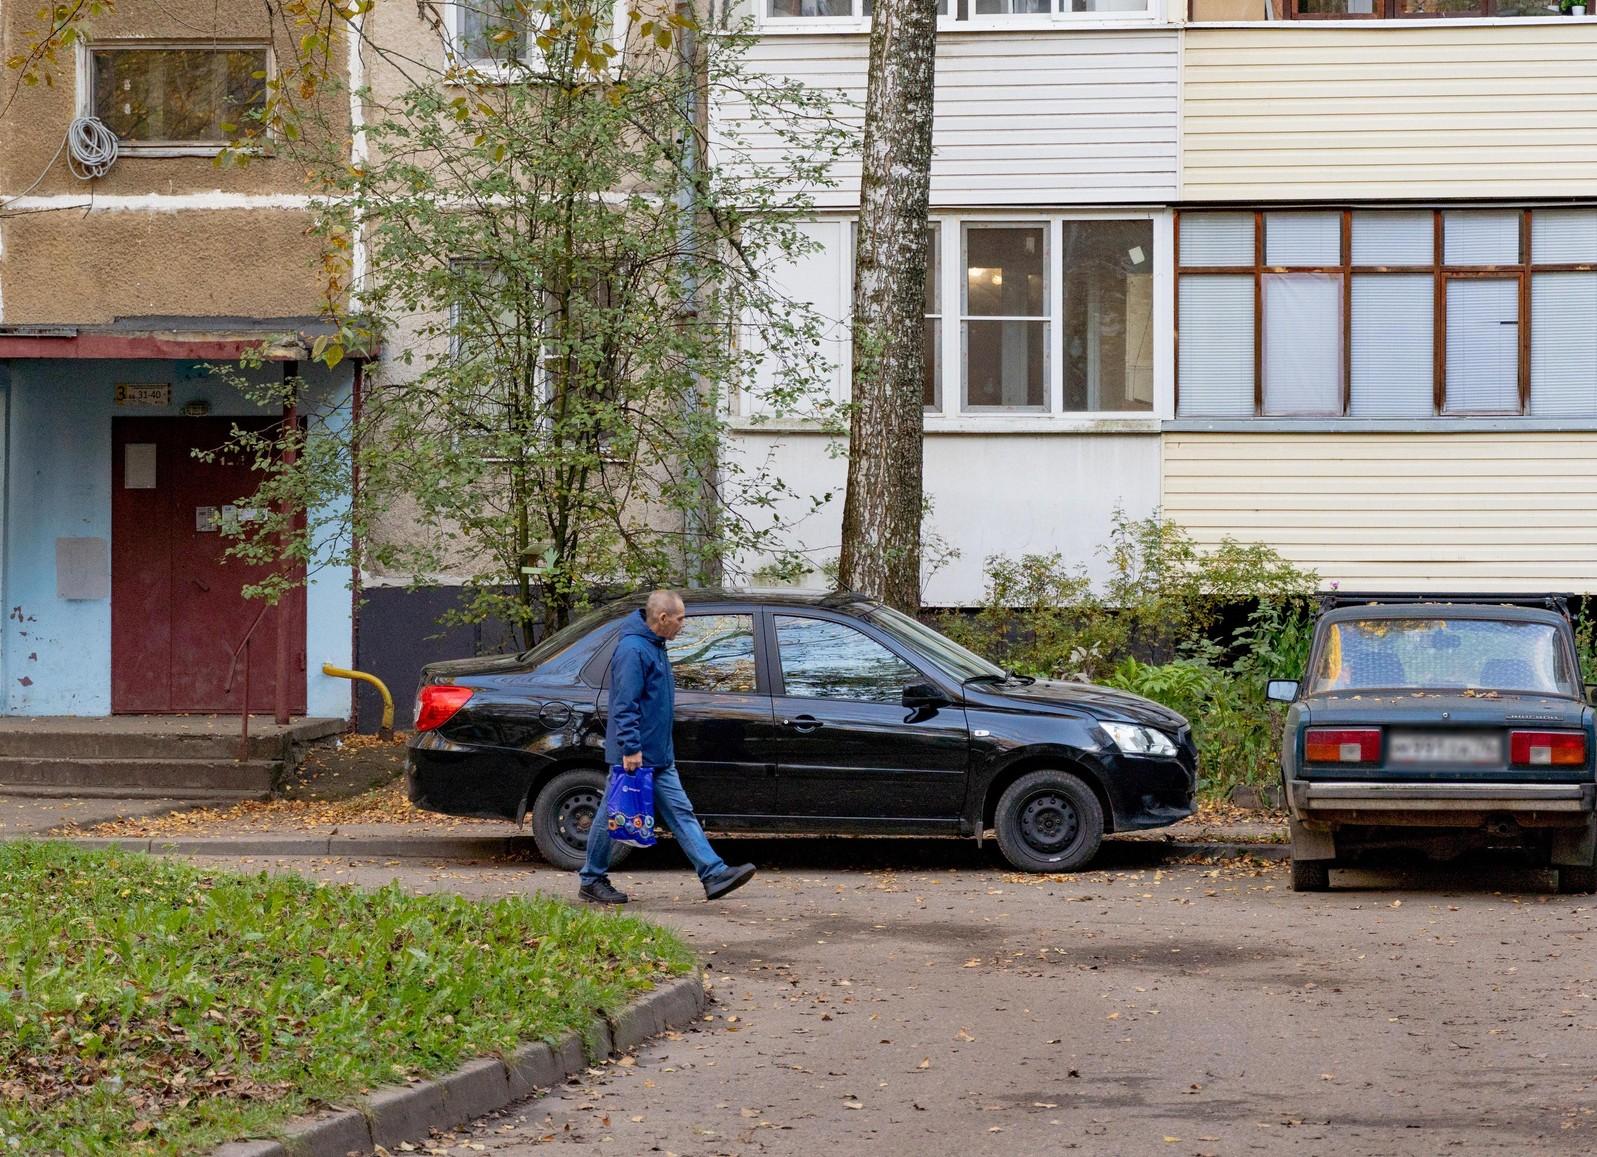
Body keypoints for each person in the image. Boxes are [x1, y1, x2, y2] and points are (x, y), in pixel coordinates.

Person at [578, 589, 757, 905]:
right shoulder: (634, 651)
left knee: (680, 811)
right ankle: (592, 879)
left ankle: (713, 873)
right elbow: (624, 705)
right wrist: (631, 748)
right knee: (613, 813)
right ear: (662, 619)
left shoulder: (654, 646)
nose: (683, 625)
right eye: (681, 618)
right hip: (637, 755)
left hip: (657, 754)